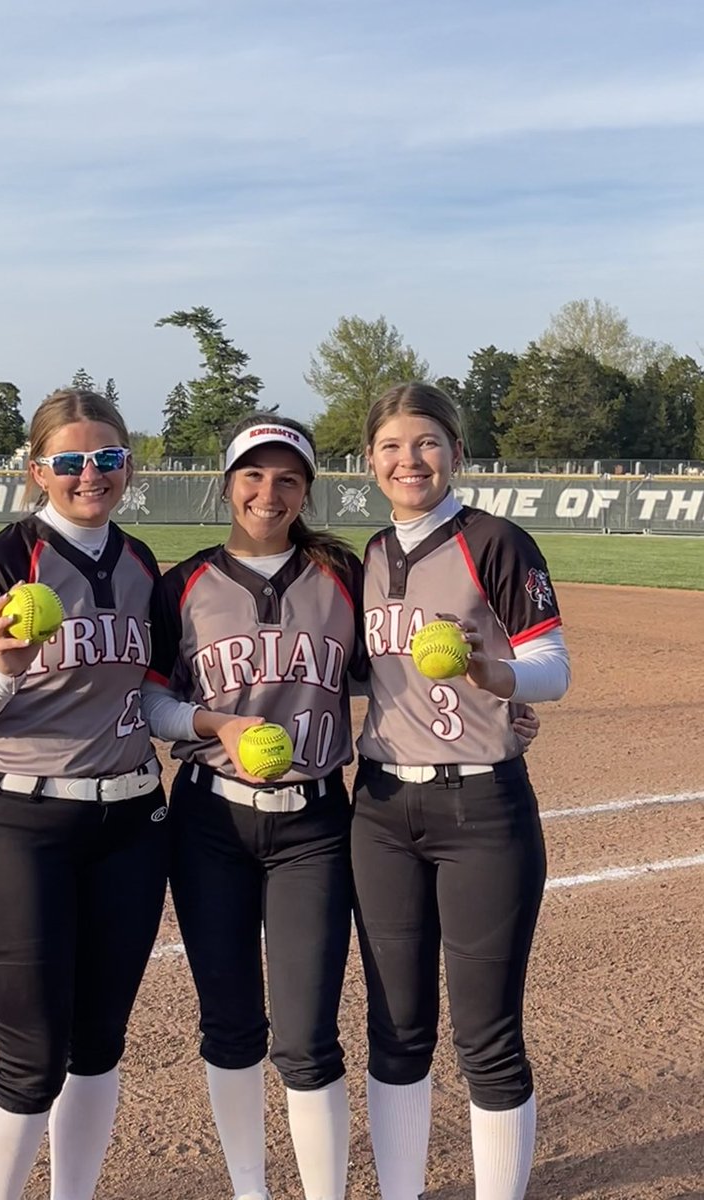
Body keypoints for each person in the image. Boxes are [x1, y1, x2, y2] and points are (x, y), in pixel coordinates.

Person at [0, 389, 169, 1200]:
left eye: (105, 459)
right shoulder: (1, 562)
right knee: (31, 1057)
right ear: (38, 472)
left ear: (127, 465)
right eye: (69, 463)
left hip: (131, 823)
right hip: (18, 823)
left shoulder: (141, 565)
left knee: (100, 1042)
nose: (89, 476)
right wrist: (3, 669)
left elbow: (160, 695)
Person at [351, 382, 571, 1200]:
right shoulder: (367, 557)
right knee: (397, 1031)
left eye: (429, 442)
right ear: (370, 461)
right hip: (378, 812)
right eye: (393, 447)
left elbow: (554, 667)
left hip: (481, 810)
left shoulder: (497, 542)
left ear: (456, 453)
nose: (411, 460)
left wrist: (494, 674)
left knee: (487, 1036)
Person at [143, 414, 367, 1200]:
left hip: (314, 825)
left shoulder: (343, 576)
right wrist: (214, 723)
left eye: (287, 478)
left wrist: (492, 707)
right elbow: (152, 705)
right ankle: (250, 1189)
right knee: (231, 1027)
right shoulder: (183, 585)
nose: (267, 492)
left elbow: (396, 675)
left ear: (306, 490)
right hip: (209, 824)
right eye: (252, 474)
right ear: (227, 481)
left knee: (308, 1037)